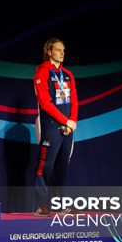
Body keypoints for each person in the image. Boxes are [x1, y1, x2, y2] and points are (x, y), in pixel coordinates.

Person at [32, 38, 78, 216]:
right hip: (52, 128)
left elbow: (74, 101)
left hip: (67, 128)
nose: (62, 53)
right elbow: (45, 103)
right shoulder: (42, 72)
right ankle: (41, 205)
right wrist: (65, 121)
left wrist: (72, 122)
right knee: (45, 167)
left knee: (62, 168)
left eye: (63, 50)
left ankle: (60, 205)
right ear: (49, 52)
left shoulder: (68, 74)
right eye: (58, 50)